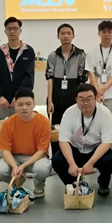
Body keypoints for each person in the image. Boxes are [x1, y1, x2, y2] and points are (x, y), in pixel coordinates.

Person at [52, 84, 112, 197]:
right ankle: (74, 184)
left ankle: (103, 183)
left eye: (89, 99)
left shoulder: (105, 114)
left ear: (95, 98)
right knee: (57, 160)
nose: (85, 103)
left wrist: (90, 163)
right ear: (76, 100)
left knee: (109, 160)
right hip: (75, 148)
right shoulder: (69, 113)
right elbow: (63, 141)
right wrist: (71, 164)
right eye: (81, 99)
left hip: (96, 149)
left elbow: (107, 143)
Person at [0, 89, 51, 198]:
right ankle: (17, 181)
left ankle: (39, 183)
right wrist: (14, 167)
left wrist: (23, 166)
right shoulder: (7, 123)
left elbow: (42, 151)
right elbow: (5, 151)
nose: (24, 108)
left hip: (36, 157)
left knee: (43, 169)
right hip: (14, 158)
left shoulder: (43, 122)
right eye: (20, 104)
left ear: (34, 104)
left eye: (28, 104)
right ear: (15, 105)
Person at [86, 20, 112, 156]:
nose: (107, 34)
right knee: (95, 128)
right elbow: (91, 73)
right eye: (104, 32)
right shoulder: (91, 53)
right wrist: (97, 92)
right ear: (99, 33)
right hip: (95, 97)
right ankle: (97, 157)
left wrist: (102, 90)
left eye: (109, 32)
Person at [46, 23, 87, 156]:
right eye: (62, 33)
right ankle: (56, 158)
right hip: (56, 98)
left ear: (73, 36)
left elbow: (82, 80)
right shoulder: (53, 56)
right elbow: (50, 78)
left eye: (68, 33)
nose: (65, 36)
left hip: (73, 98)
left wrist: (80, 101)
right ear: (58, 36)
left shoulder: (81, 55)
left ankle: (73, 158)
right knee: (55, 130)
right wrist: (50, 100)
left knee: (74, 130)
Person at [0, 17, 35, 122]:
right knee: (2, 129)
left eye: (15, 28)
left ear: (20, 31)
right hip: (2, 102)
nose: (12, 31)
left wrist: (20, 96)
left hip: (22, 102)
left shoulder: (28, 51)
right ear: (5, 31)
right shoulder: (0, 52)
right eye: (9, 29)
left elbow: (29, 76)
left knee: (23, 128)